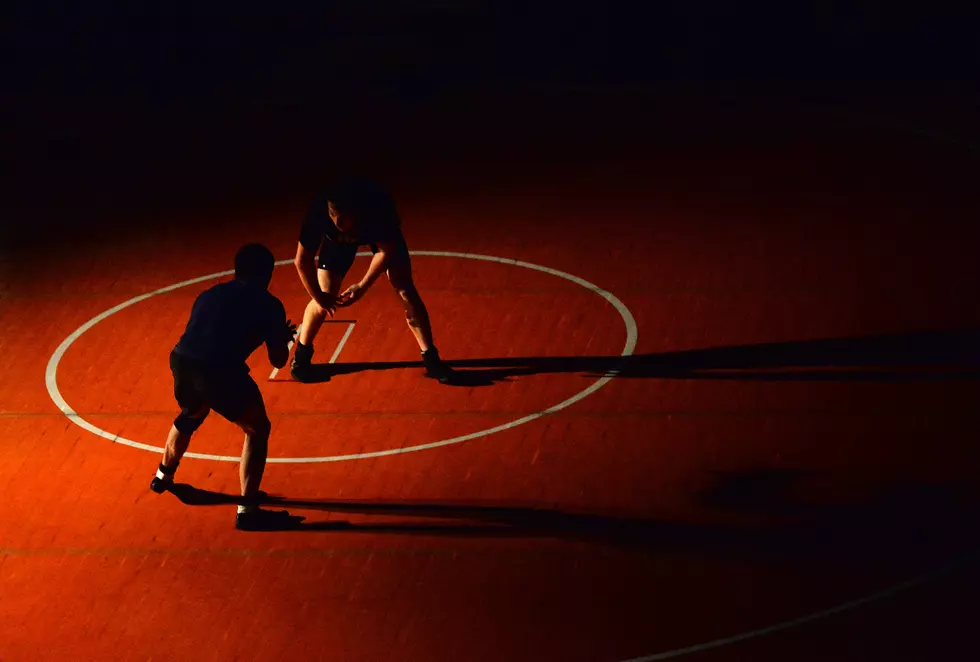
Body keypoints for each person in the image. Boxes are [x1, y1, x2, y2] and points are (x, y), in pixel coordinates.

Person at [149, 243, 297, 531]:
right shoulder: (269, 304)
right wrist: (283, 337)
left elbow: (204, 332)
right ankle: (248, 510)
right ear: (267, 275)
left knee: (191, 412)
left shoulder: (209, 294)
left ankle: (162, 476)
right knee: (257, 428)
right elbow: (277, 359)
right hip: (217, 369)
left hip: (182, 360)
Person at [290, 176, 454, 383]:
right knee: (325, 294)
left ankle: (431, 359)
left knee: (404, 288)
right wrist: (320, 297)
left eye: (342, 216)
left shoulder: (379, 210)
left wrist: (363, 285)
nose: (337, 222)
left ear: (356, 211)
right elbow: (302, 261)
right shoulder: (318, 214)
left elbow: (385, 251)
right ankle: (301, 359)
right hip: (337, 242)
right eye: (333, 215)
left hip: (376, 236)